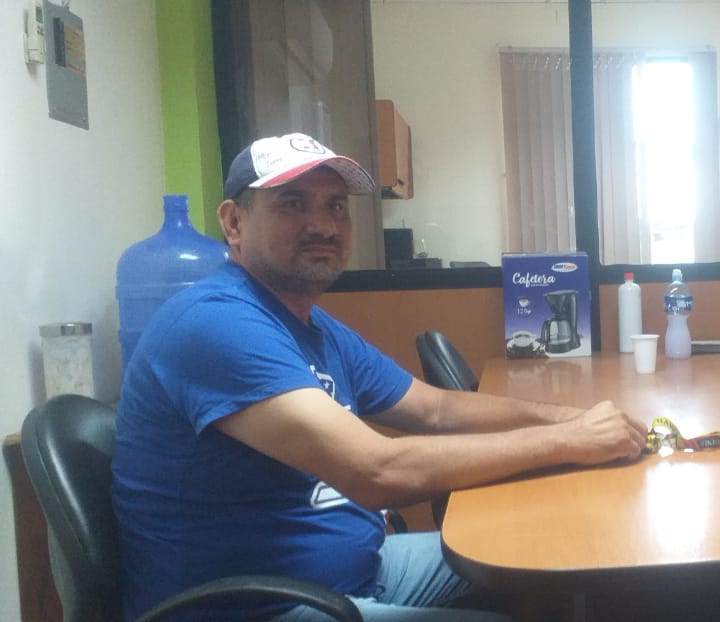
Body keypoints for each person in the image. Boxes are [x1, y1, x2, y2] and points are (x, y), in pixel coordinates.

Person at [111, 133, 648, 621]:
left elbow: (436, 410)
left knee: (554, 549)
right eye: (292, 203)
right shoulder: (215, 323)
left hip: (358, 568)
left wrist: (574, 419)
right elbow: (377, 470)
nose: (323, 225)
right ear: (233, 222)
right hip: (261, 606)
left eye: (335, 206)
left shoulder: (311, 324)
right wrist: (568, 441)